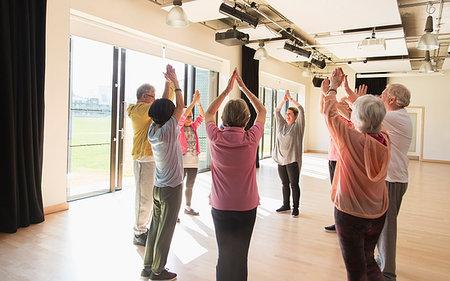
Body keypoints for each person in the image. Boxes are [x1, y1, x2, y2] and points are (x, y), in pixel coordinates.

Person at [322, 67, 390, 281]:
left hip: (351, 214)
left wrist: (332, 89)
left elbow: (329, 114)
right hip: (378, 211)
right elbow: (356, 120)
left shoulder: (351, 139)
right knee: (369, 261)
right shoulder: (385, 138)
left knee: (355, 269)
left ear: (358, 117)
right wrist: (355, 100)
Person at [205, 68, 266, 281]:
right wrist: (244, 88)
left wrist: (226, 91)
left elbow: (208, 114)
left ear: (224, 117)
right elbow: (262, 112)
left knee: (224, 255)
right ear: (246, 119)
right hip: (246, 207)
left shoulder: (215, 137)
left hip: (220, 206)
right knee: (240, 257)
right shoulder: (251, 138)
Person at [140, 64, 184, 281]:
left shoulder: (154, 130)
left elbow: (164, 107)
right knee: (165, 231)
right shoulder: (169, 131)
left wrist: (167, 83)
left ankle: (147, 267)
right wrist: (176, 83)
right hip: (171, 189)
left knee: (155, 228)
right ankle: (158, 272)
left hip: (158, 188)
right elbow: (179, 107)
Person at [126, 75, 172, 246]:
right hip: (143, 159)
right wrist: (168, 83)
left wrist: (170, 84)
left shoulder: (147, 109)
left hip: (153, 158)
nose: (155, 99)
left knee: (152, 197)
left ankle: (145, 228)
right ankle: (139, 232)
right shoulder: (139, 110)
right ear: (144, 96)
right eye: (153, 96)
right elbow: (163, 105)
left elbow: (166, 104)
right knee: (144, 198)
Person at [376, 84, 413, 281]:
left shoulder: (394, 117)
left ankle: (388, 273)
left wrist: (346, 93)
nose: (381, 94)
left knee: (388, 226)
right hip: (392, 179)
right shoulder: (395, 117)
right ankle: (381, 261)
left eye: (384, 93)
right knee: (382, 224)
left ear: (391, 100)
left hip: (394, 180)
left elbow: (366, 113)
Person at [321, 77, 364, 233]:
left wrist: (329, 91)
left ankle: (345, 223)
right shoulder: (337, 119)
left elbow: (338, 110)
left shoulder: (353, 121)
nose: (343, 106)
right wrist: (326, 94)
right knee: (336, 192)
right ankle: (338, 221)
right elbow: (327, 110)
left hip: (343, 160)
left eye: (346, 104)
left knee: (344, 193)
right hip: (332, 158)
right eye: (343, 103)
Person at [273, 90, 305, 217]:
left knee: (294, 184)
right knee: (284, 184)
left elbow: (301, 109)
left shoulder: (298, 127)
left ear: (295, 116)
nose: (287, 116)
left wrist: (291, 100)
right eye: (286, 114)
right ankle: (285, 204)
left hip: (292, 160)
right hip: (280, 160)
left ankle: (295, 208)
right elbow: (276, 111)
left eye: (290, 114)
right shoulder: (281, 125)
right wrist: (283, 100)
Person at [178, 90, 205, 216]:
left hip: (193, 162)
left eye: (191, 117)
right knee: (178, 187)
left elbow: (202, 117)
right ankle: (175, 213)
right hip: (182, 162)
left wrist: (198, 104)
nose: (190, 118)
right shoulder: (179, 127)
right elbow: (182, 117)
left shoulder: (193, 127)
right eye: (188, 116)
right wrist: (193, 102)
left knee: (190, 186)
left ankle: (188, 208)